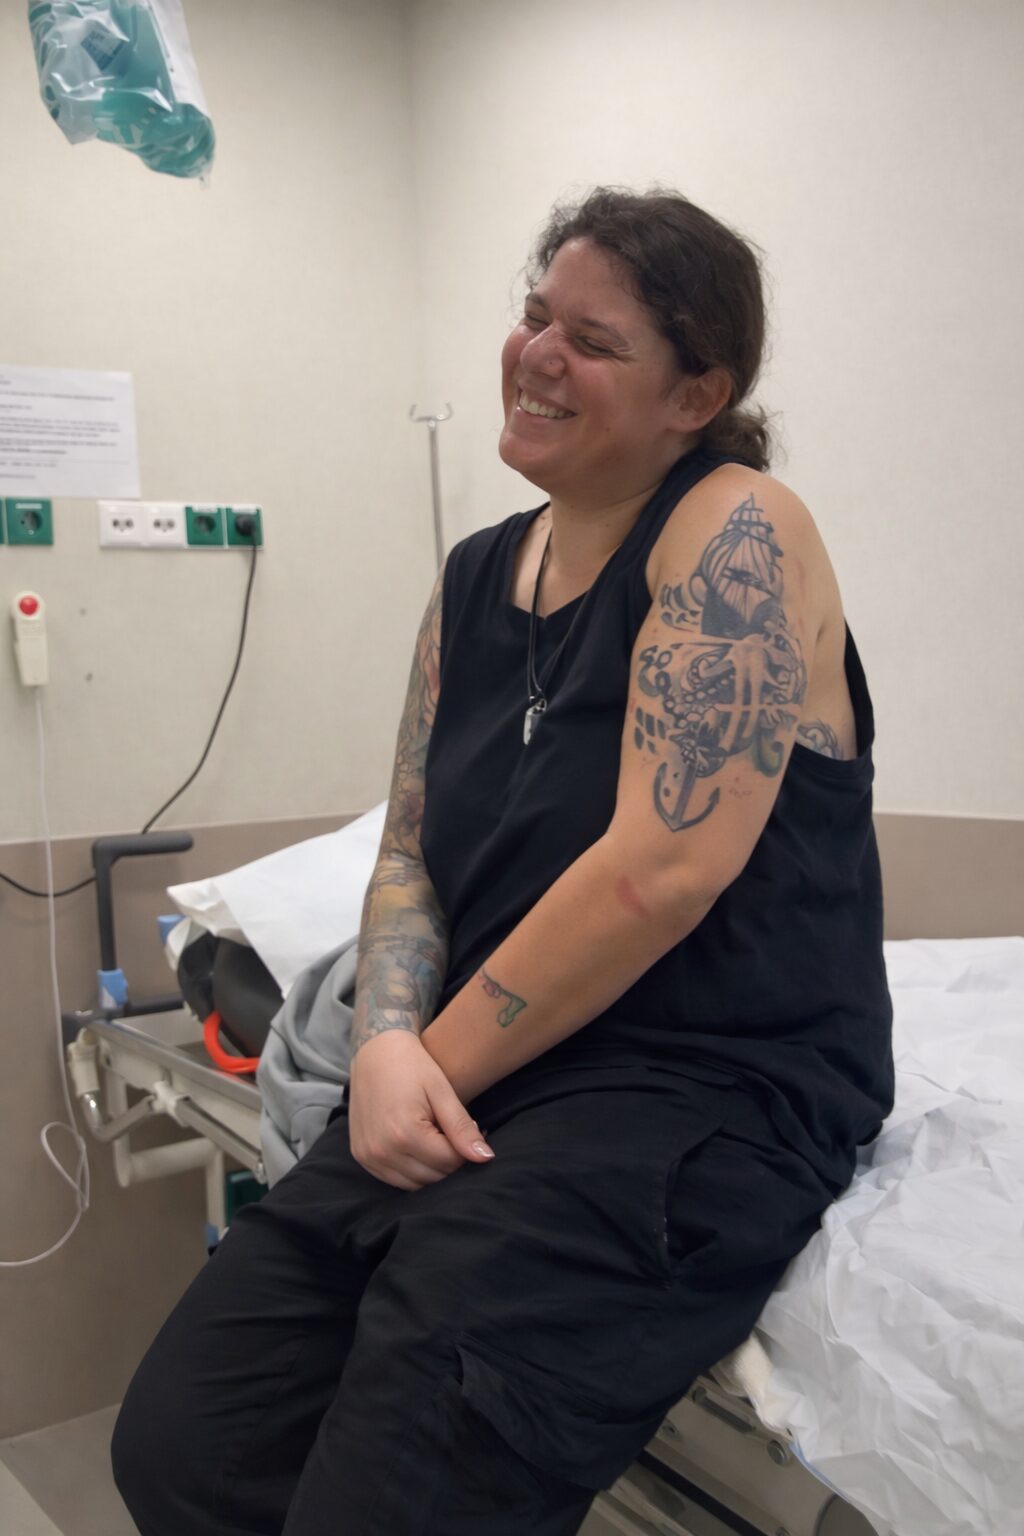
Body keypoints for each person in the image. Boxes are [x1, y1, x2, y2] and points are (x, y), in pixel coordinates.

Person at [111, 187, 893, 1536]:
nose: (537, 353)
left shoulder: (736, 531)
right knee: (186, 1441)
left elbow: (661, 872)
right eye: (536, 315)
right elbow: (409, 848)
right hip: (483, 1068)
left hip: (695, 1087)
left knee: (393, 1493)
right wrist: (380, 1042)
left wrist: (427, 1065)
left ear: (697, 394)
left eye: (593, 340)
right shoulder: (476, 577)